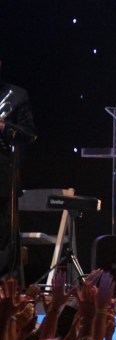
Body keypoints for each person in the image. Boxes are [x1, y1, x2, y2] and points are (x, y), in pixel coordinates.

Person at [0, 59, 37, 277]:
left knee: (4, 233)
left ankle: (4, 289)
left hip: (2, 174)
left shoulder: (16, 95)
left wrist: (4, 126)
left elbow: (29, 134)